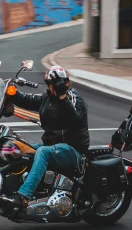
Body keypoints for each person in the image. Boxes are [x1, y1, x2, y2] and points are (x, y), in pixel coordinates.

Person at [10, 65, 90, 208]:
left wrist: (62, 97)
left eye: (56, 83)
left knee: (43, 152)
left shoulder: (73, 97)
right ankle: (6, 190)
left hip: (73, 150)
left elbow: (75, 119)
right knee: (18, 149)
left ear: (66, 82)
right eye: (50, 84)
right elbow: (27, 99)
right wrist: (10, 93)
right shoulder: (47, 97)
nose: (52, 87)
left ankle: (23, 196)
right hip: (53, 147)